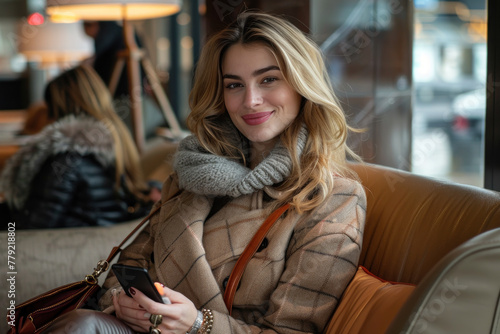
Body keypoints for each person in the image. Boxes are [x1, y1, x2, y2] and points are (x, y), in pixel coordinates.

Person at [43, 11, 366, 333]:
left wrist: (199, 324)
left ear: (303, 85)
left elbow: (292, 331)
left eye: (269, 79)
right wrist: (121, 300)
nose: (250, 100)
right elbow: (127, 267)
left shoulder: (334, 198)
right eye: (234, 85)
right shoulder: (193, 175)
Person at [0, 65, 160, 229]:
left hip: (56, 249)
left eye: (50, 109)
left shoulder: (65, 158)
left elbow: (32, 226)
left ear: (58, 110)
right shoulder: (118, 140)